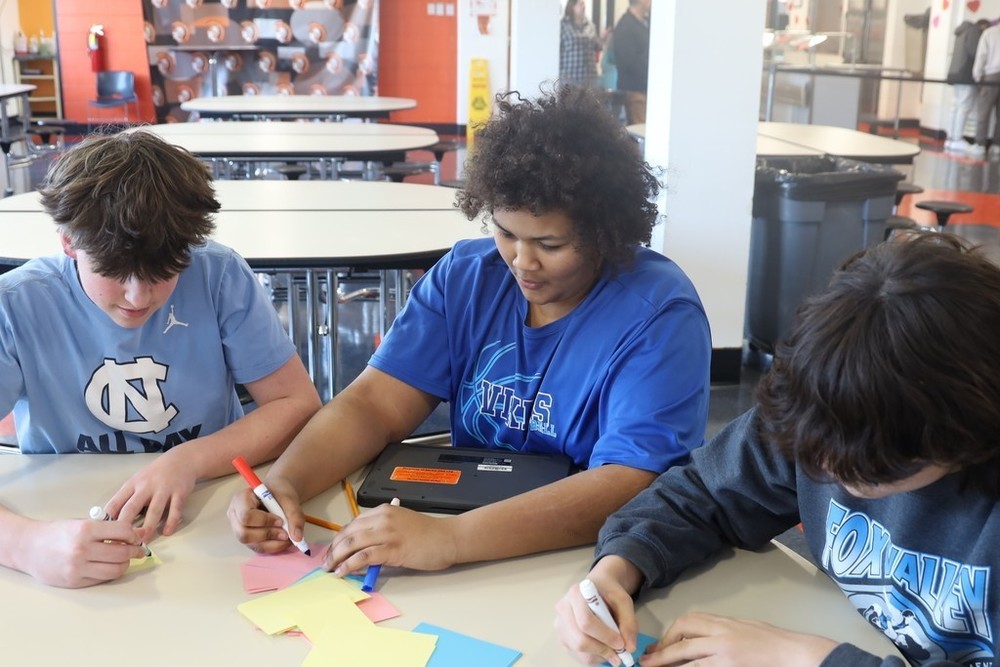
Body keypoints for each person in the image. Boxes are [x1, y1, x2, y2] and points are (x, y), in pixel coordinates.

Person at [228, 85, 712, 574]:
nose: (523, 263)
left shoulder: (658, 317)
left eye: (550, 243)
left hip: (583, 561)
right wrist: (286, 482)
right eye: (505, 233)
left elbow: (629, 481)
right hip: (462, 539)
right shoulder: (467, 275)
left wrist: (452, 538)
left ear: (605, 231)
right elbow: (375, 403)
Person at [555, 233, 1000, 667]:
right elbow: (703, 493)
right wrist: (621, 566)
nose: (833, 475)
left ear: (966, 433)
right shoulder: (823, 409)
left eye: (874, 471)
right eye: (815, 457)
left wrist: (806, 657)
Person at [0, 131, 322, 588]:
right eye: (114, 273)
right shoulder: (16, 304)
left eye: (163, 274)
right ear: (69, 242)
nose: (138, 296)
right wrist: (22, 544)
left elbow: (296, 403)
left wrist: (188, 460)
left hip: (212, 509)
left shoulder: (218, 275)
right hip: (60, 519)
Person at [945, 18, 990, 155]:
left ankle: (951, 138)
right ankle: (957, 138)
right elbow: (974, 52)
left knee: (955, 107)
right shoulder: (974, 32)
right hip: (966, 75)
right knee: (964, 108)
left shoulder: (961, 31)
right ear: (982, 26)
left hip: (955, 73)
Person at [612, 0, 651, 124]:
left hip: (645, 89)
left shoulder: (645, 24)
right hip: (635, 91)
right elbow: (627, 62)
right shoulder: (625, 26)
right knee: (640, 133)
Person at [560, 0, 606, 88]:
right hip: (570, 80)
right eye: (581, 4)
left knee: (590, 101)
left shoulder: (591, 25)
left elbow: (597, 47)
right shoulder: (563, 25)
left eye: (584, 4)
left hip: (590, 80)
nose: (584, 6)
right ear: (572, 6)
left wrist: (602, 39)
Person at [971, 18, 1000, 159]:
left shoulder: (989, 33)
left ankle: (980, 144)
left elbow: (981, 55)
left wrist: (977, 75)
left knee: (984, 111)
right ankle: (997, 145)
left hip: (991, 75)